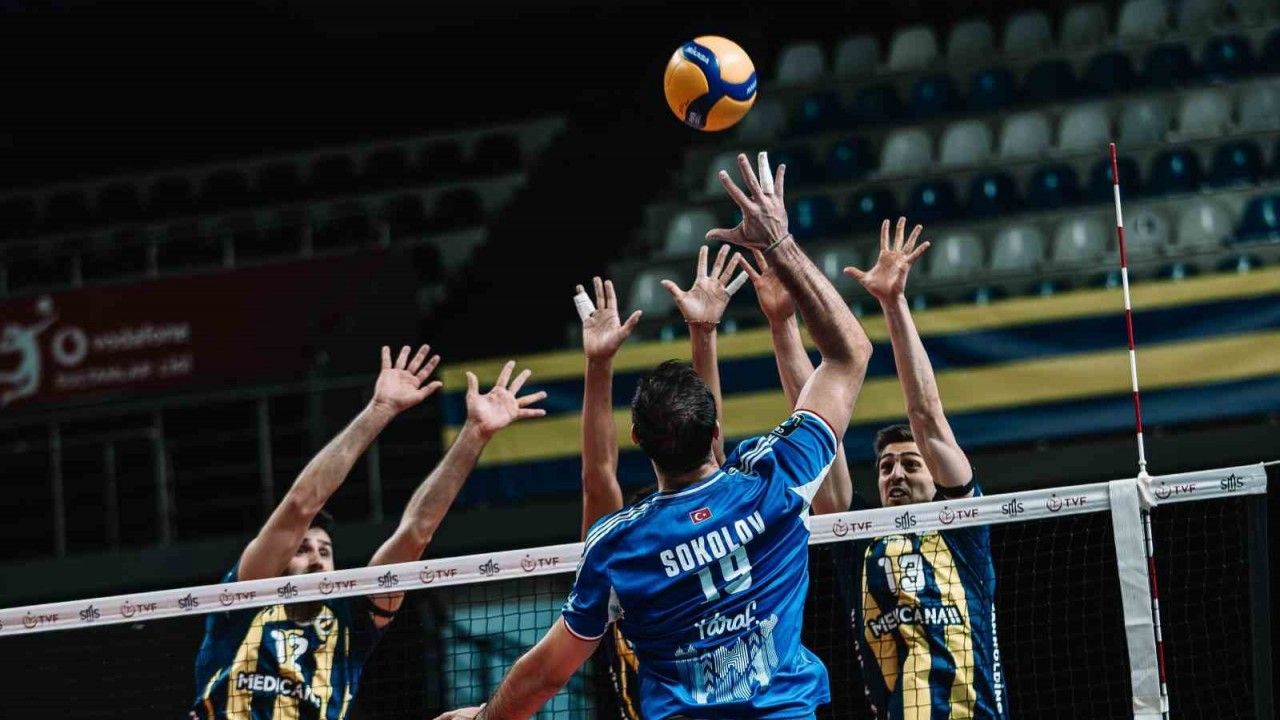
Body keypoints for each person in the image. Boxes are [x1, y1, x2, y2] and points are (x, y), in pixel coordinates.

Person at [434, 152, 874, 720]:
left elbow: (546, 674)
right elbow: (848, 354)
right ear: (716, 432)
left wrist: (485, 717)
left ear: (638, 440)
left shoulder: (620, 545)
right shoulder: (775, 479)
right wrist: (779, 242)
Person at [191, 345, 547, 720]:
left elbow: (416, 533)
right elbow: (301, 504)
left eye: (325, 551)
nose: (317, 559)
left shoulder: (350, 623)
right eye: (303, 549)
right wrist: (380, 409)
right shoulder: (245, 599)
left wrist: (474, 434)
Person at [837, 218, 1008, 719]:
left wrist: (893, 303)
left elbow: (928, 419)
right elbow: (821, 445)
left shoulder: (962, 530)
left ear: (935, 475)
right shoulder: (860, 540)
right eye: (885, 466)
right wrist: (783, 322)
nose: (895, 474)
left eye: (910, 464)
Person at [573, 245, 743, 719]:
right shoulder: (729, 513)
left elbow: (597, 477)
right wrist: (703, 334)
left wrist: (599, 364)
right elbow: (710, 449)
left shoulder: (625, 550)